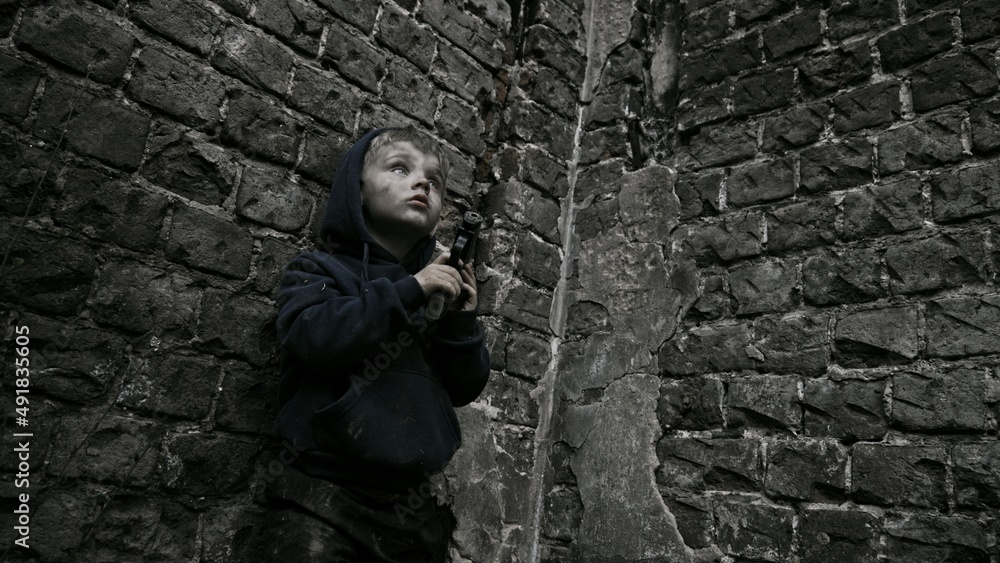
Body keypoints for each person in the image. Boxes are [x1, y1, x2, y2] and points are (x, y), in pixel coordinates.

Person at [262, 126, 491, 562]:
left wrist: (461, 321)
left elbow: (465, 387)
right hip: (322, 496)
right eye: (400, 168)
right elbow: (317, 339)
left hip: (413, 510)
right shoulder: (317, 269)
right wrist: (409, 291)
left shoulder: (437, 293)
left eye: (434, 181)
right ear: (358, 189)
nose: (422, 182)